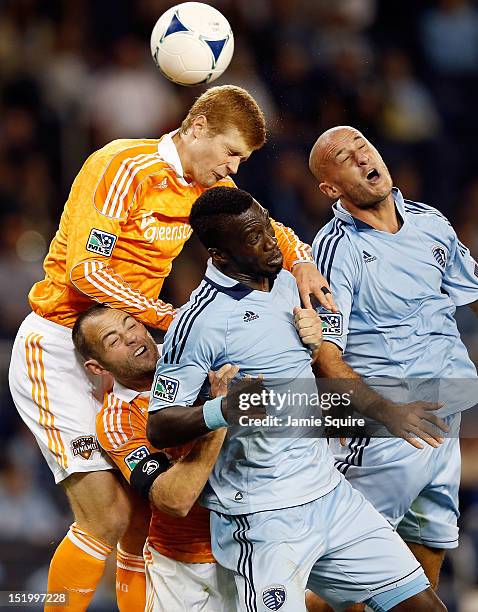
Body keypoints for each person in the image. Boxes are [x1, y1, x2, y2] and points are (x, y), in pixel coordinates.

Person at [8, 85, 334, 611]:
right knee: (107, 516)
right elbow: (87, 272)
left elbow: (264, 228)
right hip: (58, 345)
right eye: (230, 153)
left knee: (143, 518)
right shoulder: (122, 166)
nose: (232, 169)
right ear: (198, 126)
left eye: (242, 160)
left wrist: (300, 261)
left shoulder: (199, 192)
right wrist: (171, 317)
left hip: (127, 348)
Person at [147, 185, 447, 611]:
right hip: (264, 516)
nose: (270, 242)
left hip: (329, 493)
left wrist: (319, 345)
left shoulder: (288, 283)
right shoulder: (200, 321)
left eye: (267, 229)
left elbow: (316, 371)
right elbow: (159, 424)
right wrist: (223, 409)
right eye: (253, 238)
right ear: (219, 255)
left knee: (423, 607)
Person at [308, 125, 478, 606]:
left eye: (364, 145)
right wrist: (384, 413)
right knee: (345, 569)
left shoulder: (430, 223)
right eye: (346, 156)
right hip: (390, 428)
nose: (362, 156)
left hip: (445, 422)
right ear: (331, 187)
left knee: (426, 558)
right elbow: (325, 354)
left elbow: (473, 293)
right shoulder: (336, 248)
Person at [72, 304, 238, 611]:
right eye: (113, 339)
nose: (132, 338)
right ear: (97, 367)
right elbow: (175, 500)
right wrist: (220, 413)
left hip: (255, 541)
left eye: (131, 325)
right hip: (187, 568)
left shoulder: (195, 349)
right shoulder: (117, 421)